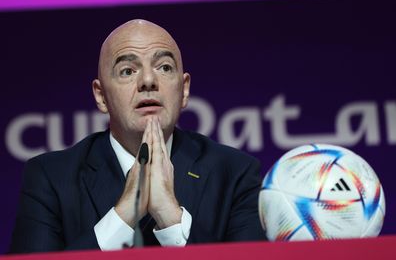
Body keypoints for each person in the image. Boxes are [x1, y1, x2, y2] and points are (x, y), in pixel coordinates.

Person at [10, 19, 266, 253]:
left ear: (184, 89)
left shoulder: (235, 174)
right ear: (101, 96)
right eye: (127, 71)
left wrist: (170, 217)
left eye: (164, 67)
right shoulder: (51, 177)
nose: (147, 80)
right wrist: (123, 215)